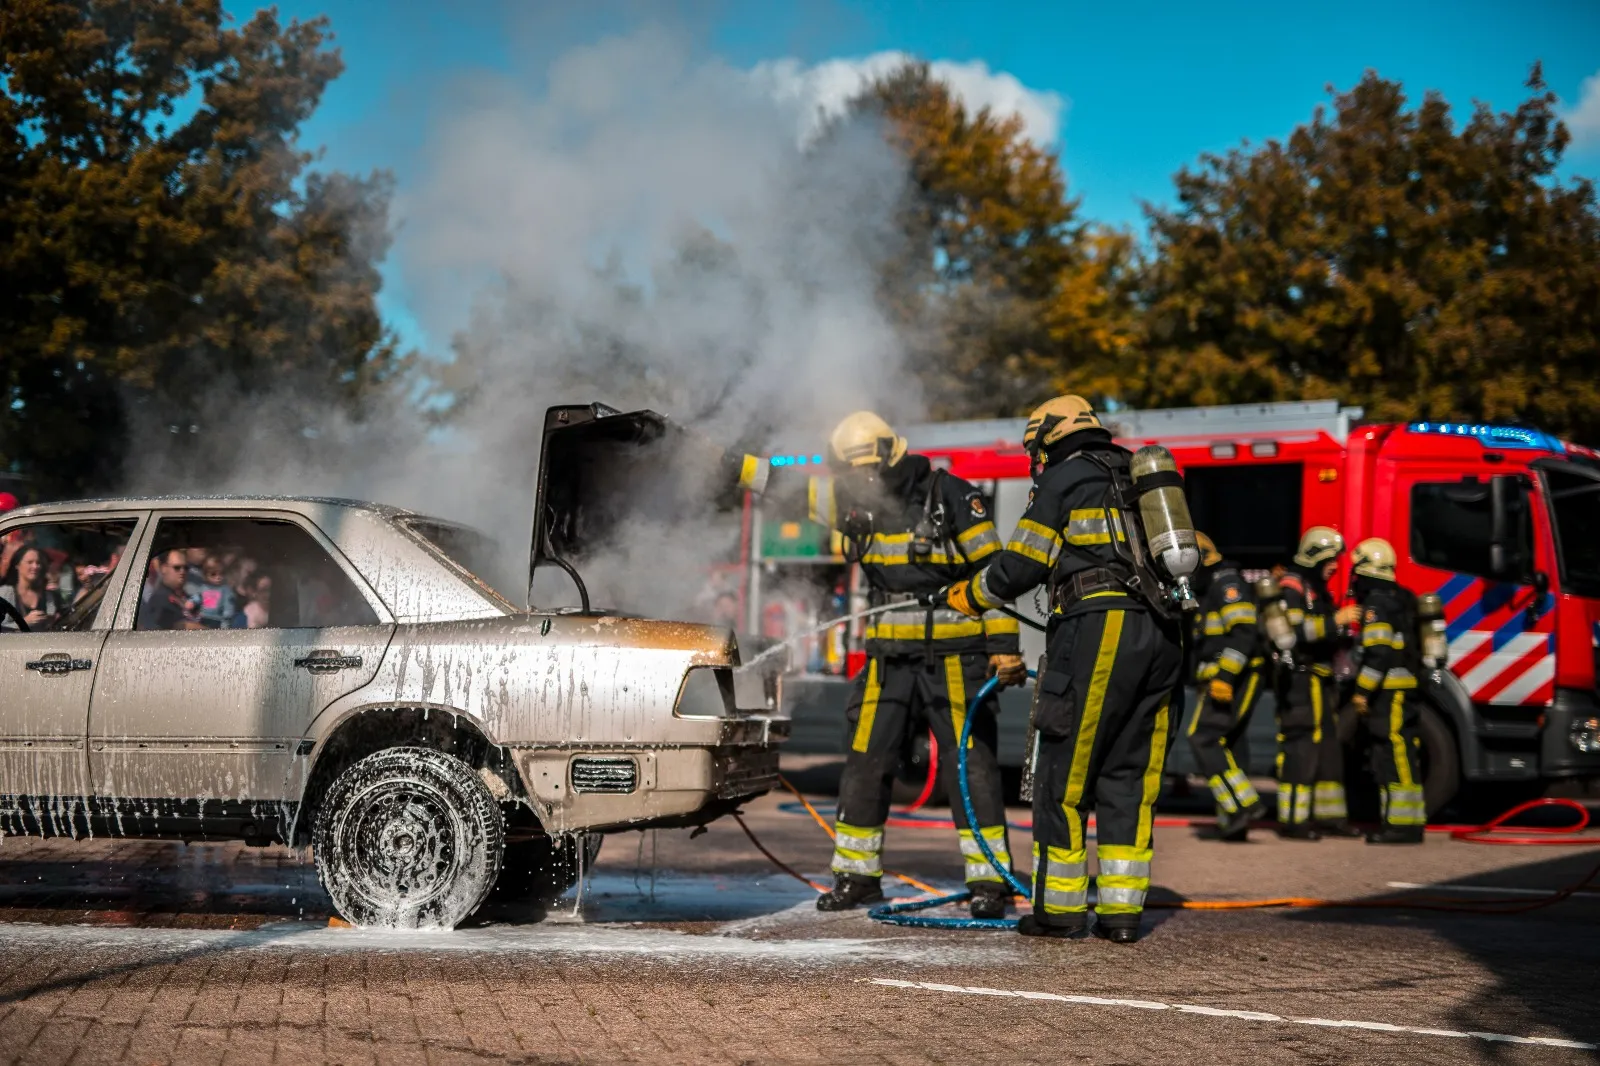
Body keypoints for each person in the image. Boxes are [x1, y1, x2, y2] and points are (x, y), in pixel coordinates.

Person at [742, 412, 1022, 918]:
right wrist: (719, 461)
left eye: (870, 471)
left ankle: (990, 884)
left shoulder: (952, 497)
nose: (865, 482)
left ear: (892, 454)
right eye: (854, 473)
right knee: (866, 762)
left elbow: (994, 574)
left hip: (956, 657)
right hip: (888, 660)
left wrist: (1004, 647)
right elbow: (783, 485)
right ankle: (857, 877)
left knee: (969, 765)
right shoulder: (853, 500)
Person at [945, 395, 1185, 944]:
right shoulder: (1140, 474)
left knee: (1064, 774)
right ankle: (1122, 915)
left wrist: (970, 595)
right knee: (1129, 777)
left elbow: (1021, 563)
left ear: (1049, 437)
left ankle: (1059, 912)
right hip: (1164, 632)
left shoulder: (1064, 479)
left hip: (1100, 628)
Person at [1273, 527, 1360, 840]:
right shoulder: (1292, 585)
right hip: (1299, 678)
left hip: (1321, 679)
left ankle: (1330, 817)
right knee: (1302, 747)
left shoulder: (1317, 588)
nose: (1336, 565)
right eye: (1332, 558)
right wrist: (1335, 621)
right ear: (1315, 556)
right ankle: (1294, 822)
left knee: (1328, 748)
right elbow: (1294, 632)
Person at [1186, 532, 1268, 840]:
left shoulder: (1226, 584)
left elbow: (1244, 634)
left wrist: (1225, 677)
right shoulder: (1213, 587)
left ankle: (1244, 804)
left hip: (1237, 676)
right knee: (1230, 745)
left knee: (1202, 737)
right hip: (1225, 676)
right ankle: (1234, 823)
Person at [1347, 538, 1427, 844]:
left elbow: (1378, 653)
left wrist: (1362, 692)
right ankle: (1405, 820)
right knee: (1402, 750)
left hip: (1389, 691)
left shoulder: (1378, 603)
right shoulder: (1403, 597)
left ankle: (1402, 826)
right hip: (1405, 688)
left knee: (1394, 752)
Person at [0, 545, 64, 631]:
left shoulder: (50, 596)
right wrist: (23, 622)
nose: (35, 566)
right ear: (17, 565)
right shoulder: (4, 593)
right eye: (30, 562)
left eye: (38, 563)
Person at [138, 549, 204, 631]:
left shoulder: (189, 597)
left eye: (186, 568)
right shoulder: (160, 598)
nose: (182, 571)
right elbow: (179, 626)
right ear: (164, 568)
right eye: (177, 567)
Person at [189, 554, 238, 629]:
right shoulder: (203, 587)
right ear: (205, 575)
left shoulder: (225, 590)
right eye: (213, 574)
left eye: (221, 573)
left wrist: (226, 620)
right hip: (202, 618)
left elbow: (228, 606)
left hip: (217, 620)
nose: (218, 577)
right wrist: (191, 602)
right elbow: (198, 596)